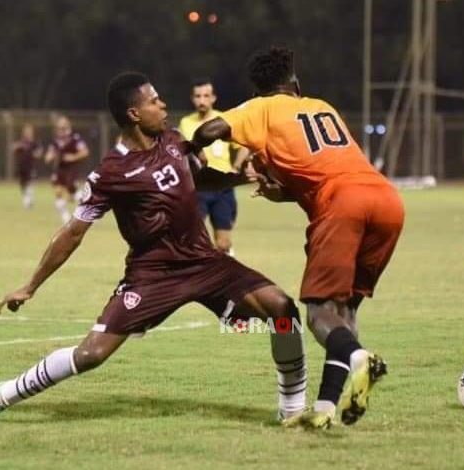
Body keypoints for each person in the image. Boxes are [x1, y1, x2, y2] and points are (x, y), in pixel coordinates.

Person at [0, 72, 307, 427]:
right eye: (154, 100)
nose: (163, 104)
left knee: (283, 313)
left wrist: (239, 177)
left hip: (205, 262)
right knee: (91, 354)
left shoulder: (173, 140)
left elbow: (198, 179)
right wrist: (30, 286)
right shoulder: (111, 172)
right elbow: (72, 233)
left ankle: (292, 410)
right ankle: (2, 394)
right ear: (134, 114)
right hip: (152, 276)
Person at [191, 46, 405, 429]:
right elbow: (324, 166)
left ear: (260, 92)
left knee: (319, 315)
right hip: (385, 199)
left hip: (342, 203)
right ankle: (325, 407)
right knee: (345, 312)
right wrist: (284, 191)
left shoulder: (260, 108)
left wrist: (186, 152)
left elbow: (210, 130)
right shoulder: (322, 107)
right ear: (296, 84)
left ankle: (359, 358)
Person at [179, 78, 250, 256]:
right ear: (192, 99)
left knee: (223, 242)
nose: (202, 100)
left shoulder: (223, 121)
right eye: (197, 96)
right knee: (195, 238)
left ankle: (226, 270)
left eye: (206, 96)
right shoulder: (185, 123)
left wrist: (236, 166)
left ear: (213, 98)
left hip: (223, 187)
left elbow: (243, 145)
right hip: (197, 187)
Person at [44, 116, 90, 223]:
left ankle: (89, 208)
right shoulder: (56, 141)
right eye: (58, 127)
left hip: (71, 170)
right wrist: (49, 157)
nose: (60, 129)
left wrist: (73, 157)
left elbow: (85, 152)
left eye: (62, 127)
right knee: (58, 191)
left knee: (71, 193)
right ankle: (65, 217)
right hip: (59, 169)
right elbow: (49, 155)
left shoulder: (75, 138)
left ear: (67, 126)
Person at [12, 123, 43, 209]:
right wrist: (18, 146)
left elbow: (39, 152)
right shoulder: (21, 142)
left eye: (29, 131)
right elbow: (13, 148)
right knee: (23, 184)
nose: (27, 133)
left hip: (31, 166)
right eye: (26, 131)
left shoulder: (35, 143)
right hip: (22, 167)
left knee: (30, 183)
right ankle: (26, 199)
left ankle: (29, 201)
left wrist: (36, 154)